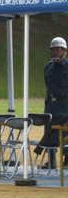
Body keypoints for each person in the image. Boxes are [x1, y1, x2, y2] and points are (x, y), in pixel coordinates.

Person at [36, 37, 68, 169]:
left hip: (64, 102)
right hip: (50, 103)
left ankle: (67, 160)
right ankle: (51, 160)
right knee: (49, 129)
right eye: (52, 50)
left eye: (57, 50)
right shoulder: (48, 67)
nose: (54, 52)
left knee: (65, 130)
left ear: (64, 51)